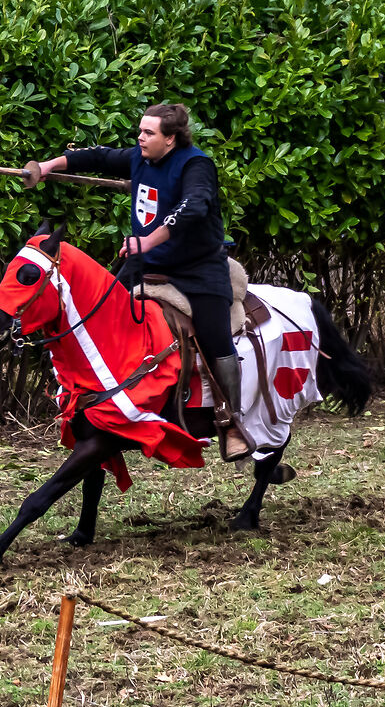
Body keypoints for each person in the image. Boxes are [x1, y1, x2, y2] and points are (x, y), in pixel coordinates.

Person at [24, 104, 251, 459]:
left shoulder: (196, 165)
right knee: (102, 317)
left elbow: (193, 207)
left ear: (171, 139)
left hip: (198, 269)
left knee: (216, 338)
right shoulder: (141, 158)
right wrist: (49, 166)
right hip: (147, 263)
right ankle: (104, 405)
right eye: (140, 131)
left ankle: (230, 422)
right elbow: (97, 157)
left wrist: (146, 241)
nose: (140, 138)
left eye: (149, 133)